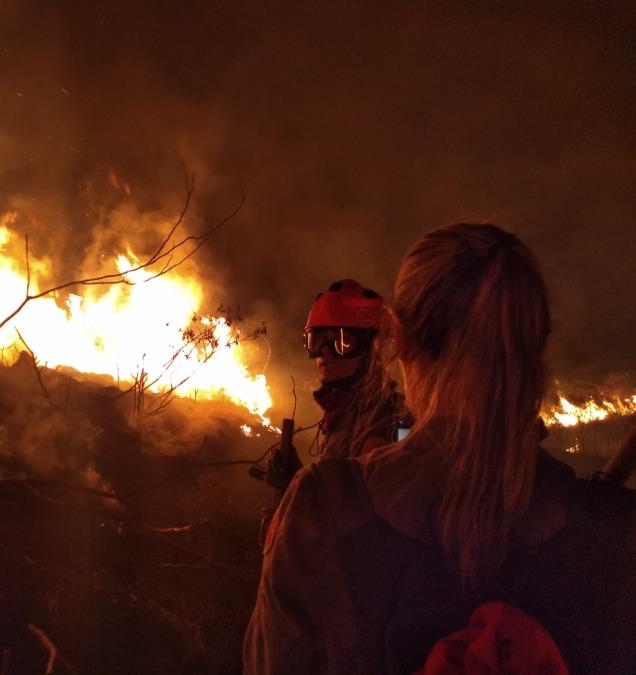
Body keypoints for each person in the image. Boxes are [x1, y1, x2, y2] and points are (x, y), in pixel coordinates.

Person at [244, 224, 635, 674]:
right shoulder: (617, 536)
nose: (327, 355)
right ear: (533, 350)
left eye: (344, 341)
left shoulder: (322, 510)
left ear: (397, 338)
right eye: (319, 341)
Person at [302, 279, 404, 459]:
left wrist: (307, 485)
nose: (325, 351)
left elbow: (369, 487)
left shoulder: (380, 422)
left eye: (343, 341)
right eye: (317, 340)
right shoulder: (343, 412)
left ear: (370, 350)